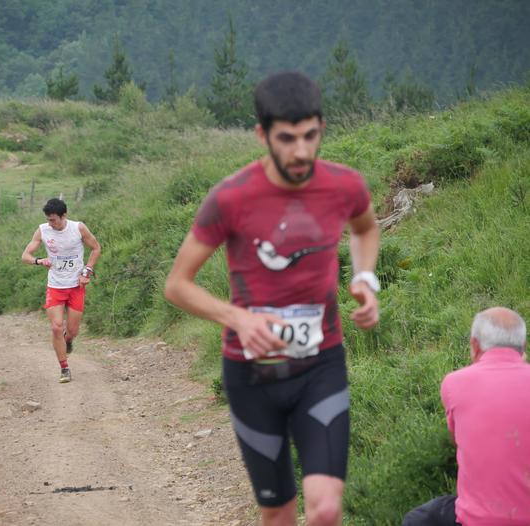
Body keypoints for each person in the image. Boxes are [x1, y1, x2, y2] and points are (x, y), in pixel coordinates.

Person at [164, 71, 380, 526]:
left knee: (326, 509)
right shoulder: (231, 197)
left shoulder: (345, 185)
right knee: (278, 513)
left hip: (320, 364)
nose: (300, 151)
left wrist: (365, 277)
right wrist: (238, 319)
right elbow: (178, 285)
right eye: (286, 138)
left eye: (310, 136)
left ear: (321, 128)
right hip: (251, 375)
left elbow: (365, 228)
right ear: (262, 135)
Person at [403, 307, 530, 526]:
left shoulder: (454, 383)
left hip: (476, 520)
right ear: (523, 346)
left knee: (418, 519)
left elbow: (458, 441)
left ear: (474, 345)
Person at [21, 198, 101, 384]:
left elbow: (96, 248)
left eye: (53, 220)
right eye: (48, 220)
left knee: (72, 331)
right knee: (56, 327)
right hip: (55, 286)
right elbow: (25, 256)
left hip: (76, 286)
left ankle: (68, 340)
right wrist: (39, 261)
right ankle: (64, 368)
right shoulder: (42, 230)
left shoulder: (78, 228)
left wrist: (87, 270)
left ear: (63, 215)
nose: (50, 223)